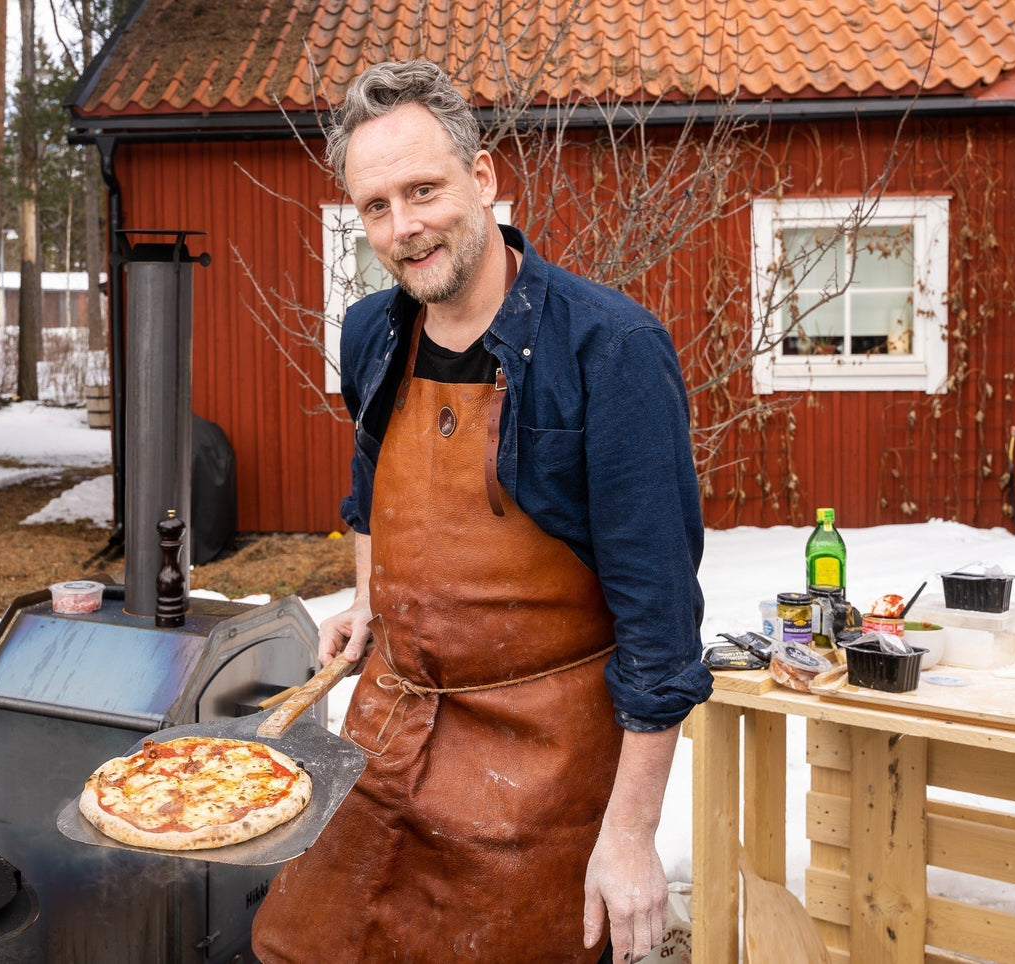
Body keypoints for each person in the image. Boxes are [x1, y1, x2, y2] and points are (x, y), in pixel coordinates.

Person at [251, 60, 712, 964]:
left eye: (423, 190)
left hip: (538, 765)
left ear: (484, 178)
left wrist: (629, 836)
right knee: (294, 945)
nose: (403, 227)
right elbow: (371, 486)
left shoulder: (609, 348)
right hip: (390, 730)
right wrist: (371, 598)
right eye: (375, 206)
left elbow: (660, 628)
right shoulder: (372, 332)